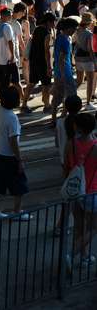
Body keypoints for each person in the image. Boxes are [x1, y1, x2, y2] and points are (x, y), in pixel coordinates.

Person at [0, 86, 31, 221]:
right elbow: (13, 141)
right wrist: (19, 160)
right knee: (19, 184)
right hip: (8, 156)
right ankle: (17, 211)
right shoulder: (12, 118)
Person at [64, 113, 97, 268]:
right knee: (93, 227)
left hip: (75, 190)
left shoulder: (71, 144)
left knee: (79, 225)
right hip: (92, 191)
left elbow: (66, 167)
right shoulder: (95, 146)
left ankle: (84, 256)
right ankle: (71, 254)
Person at [21, 12, 56, 113]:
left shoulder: (37, 29)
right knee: (46, 84)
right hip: (43, 61)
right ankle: (47, 105)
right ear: (48, 22)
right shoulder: (47, 34)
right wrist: (49, 66)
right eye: (53, 22)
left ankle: (24, 104)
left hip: (34, 60)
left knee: (31, 83)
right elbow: (46, 51)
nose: (54, 24)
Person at [51, 18, 79, 126]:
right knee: (71, 96)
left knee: (58, 97)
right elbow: (62, 58)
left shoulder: (59, 37)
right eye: (74, 28)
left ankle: (55, 119)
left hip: (58, 72)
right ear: (68, 28)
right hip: (65, 73)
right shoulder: (66, 40)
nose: (75, 30)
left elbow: (56, 56)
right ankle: (65, 118)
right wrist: (63, 75)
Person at [0, 8, 17, 102]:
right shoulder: (7, 27)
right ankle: (6, 100)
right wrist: (13, 55)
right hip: (6, 59)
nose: (11, 16)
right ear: (4, 16)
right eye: (9, 14)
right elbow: (10, 42)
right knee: (8, 81)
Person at [74, 12, 96, 110]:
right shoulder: (89, 34)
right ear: (89, 22)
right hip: (87, 60)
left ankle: (70, 96)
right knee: (90, 82)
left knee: (79, 81)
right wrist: (95, 62)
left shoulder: (77, 31)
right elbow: (90, 50)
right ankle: (88, 103)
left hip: (78, 59)